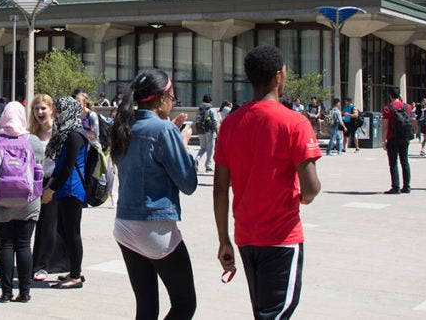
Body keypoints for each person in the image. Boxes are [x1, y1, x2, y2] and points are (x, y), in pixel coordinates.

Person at [214, 45, 321, 319]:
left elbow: (219, 190)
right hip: (281, 237)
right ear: (277, 77)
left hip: (245, 237)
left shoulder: (231, 123)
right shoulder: (294, 122)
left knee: (263, 310)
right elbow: (311, 187)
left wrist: (224, 240)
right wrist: (304, 197)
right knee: (274, 313)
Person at [110, 69, 198, 320]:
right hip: (154, 226)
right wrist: (181, 142)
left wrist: (170, 132)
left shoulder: (124, 125)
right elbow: (188, 183)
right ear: (161, 98)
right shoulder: (163, 131)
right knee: (184, 304)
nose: (173, 101)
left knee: (146, 306)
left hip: (125, 224)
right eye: (172, 96)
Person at [0, 101, 44, 302]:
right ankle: (25, 293)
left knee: (5, 245)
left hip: (0, 199)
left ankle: (6, 293)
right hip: (28, 200)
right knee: (24, 245)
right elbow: (39, 170)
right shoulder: (34, 141)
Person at [42, 96, 89, 289]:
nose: (56, 114)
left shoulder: (74, 135)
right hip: (66, 187)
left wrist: (51, 189)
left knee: (72, 231)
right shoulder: (68, 132)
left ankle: (76, 276)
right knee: (64, 229)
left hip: (72, 188)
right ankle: (74, 269)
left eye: (59, 110)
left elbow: (68, 167)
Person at [28, 94, 62, 282]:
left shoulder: (59, 133)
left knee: (48, 224)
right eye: (36, 109)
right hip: (33, 182)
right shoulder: (30, 134)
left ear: (52, 110)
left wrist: (53, 185)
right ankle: (37, 262)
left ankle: (42, 265)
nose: (40, 112)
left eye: (43, 108)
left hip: (53, 182)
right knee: (34, 224)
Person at [382, 87, 415, 194]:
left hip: (393, 137)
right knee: (405, 161)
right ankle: (407, 186)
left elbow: (385, 126)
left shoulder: (388, 108)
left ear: (390, 95)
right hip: (405, 137)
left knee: (393, 163)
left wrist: (384, 140)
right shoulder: (407, 107)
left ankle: (396, 187)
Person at [195, 96, 219, 172]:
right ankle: (208, 166)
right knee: (210, 149)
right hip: (210, 131)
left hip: (200, 130)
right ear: (210, 101)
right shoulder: (212, 109)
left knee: (203, 147)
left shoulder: (199, 109)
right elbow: (215, 122)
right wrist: (217, 132)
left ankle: (197, 159)